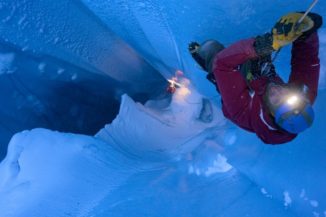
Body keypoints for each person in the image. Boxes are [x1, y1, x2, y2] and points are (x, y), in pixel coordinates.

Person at [189, 12, 323, 144]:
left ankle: (204, 60)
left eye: (277, 101)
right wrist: (306, 32)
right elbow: (306, 62)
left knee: (211, 49)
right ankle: (257, 64)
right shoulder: (302, 99)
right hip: (262, 80)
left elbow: (222, 65)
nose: (278, 91)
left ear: (270, 113)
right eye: (288, 96)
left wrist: (264, 45)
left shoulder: (242, 112)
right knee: (258, 63)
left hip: (240, 93)